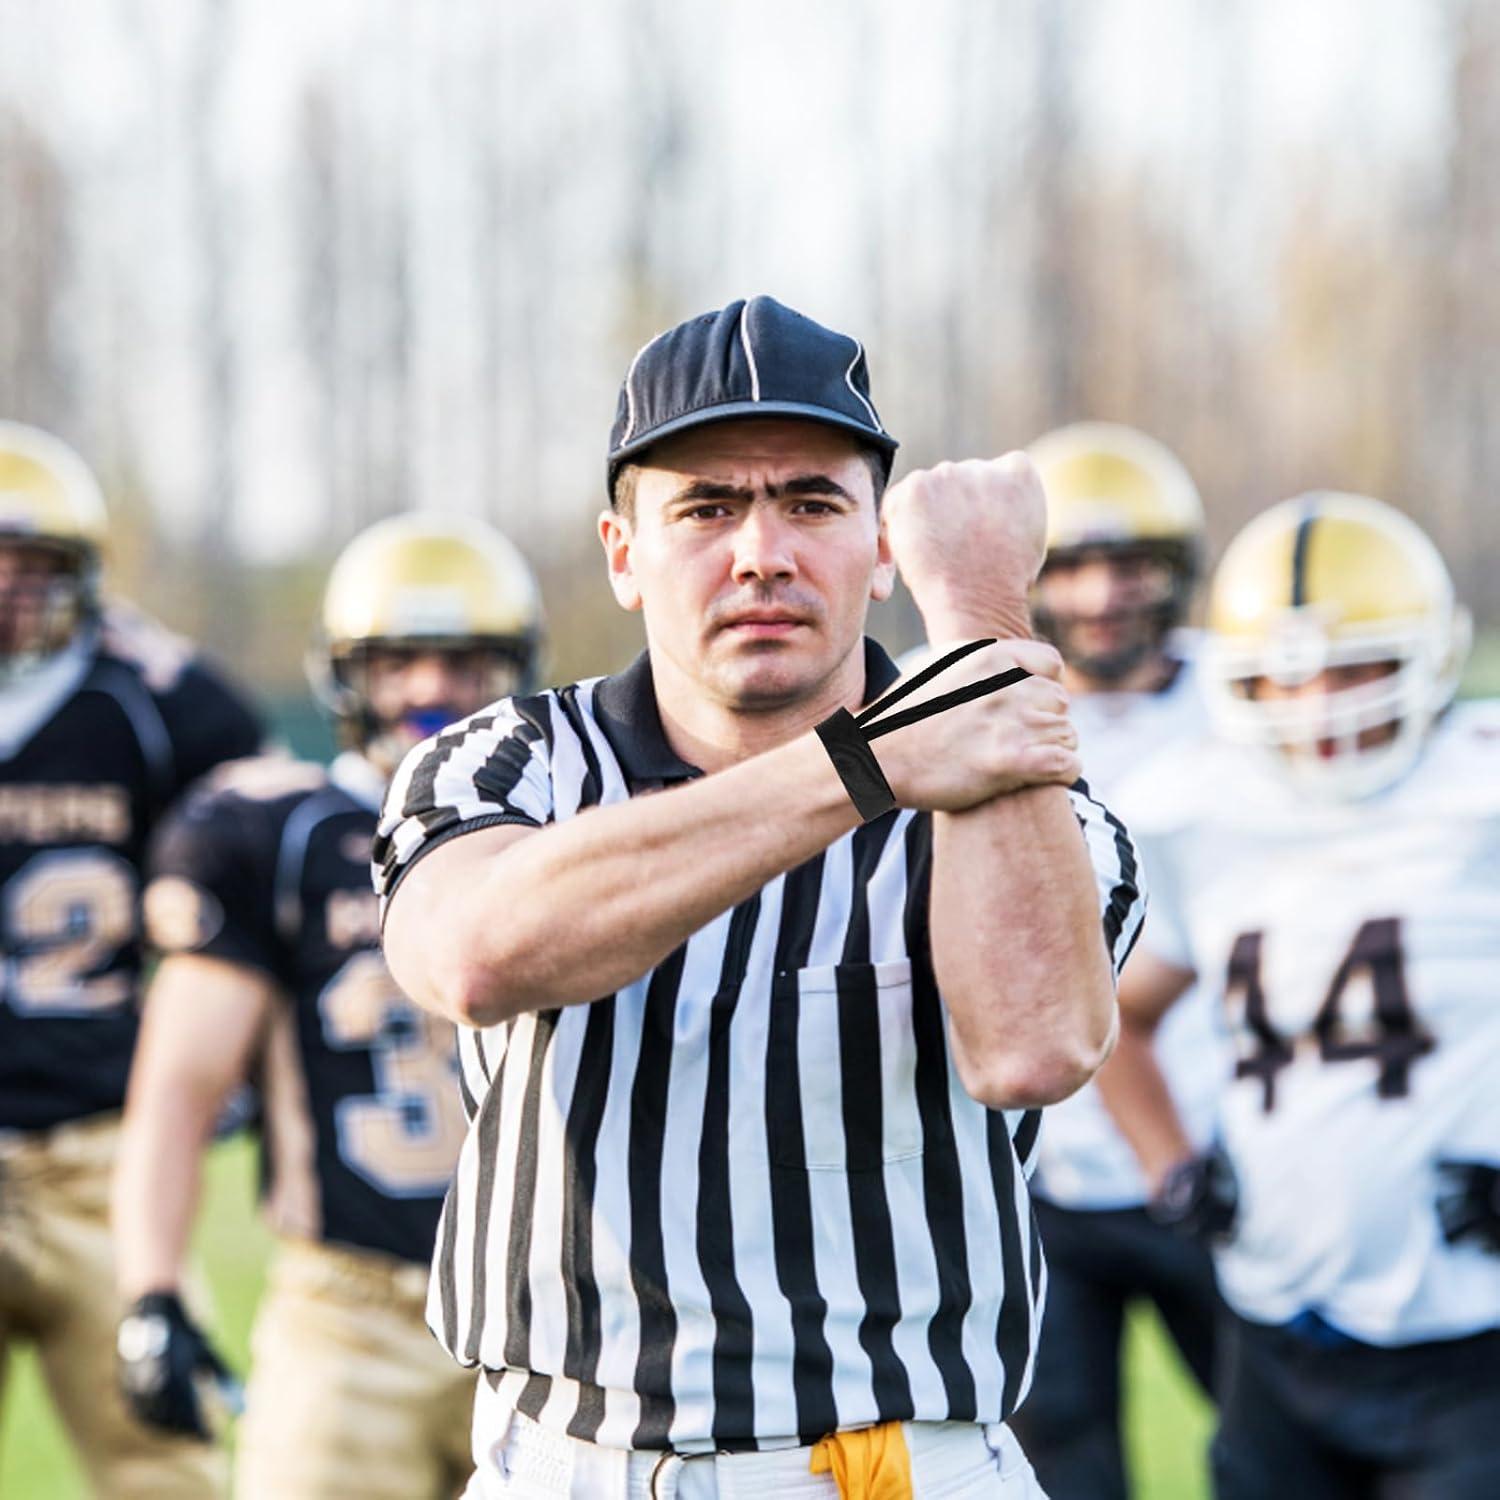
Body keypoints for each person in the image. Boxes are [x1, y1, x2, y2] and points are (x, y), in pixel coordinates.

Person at [375, 296, 1144, 1499]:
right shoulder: (507, 760)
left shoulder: (1013, 793)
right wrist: (868, 763)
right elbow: (476, 954)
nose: (761, 554)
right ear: (623, 554)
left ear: (885, 547)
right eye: (706, 507)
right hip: (575, 1467)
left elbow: (1037, 1049)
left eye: (812, 503)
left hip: (898, 1469)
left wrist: (983, 625)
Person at [112, 513, 544, 1500]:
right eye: (400, 663)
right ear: (347, 675)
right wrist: (152, 1290)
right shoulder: (274, 833)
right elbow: (178, 1088)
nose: (432, 693)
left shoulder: (576, 819)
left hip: (551, 1310)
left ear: (515, 669)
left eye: (466, 663)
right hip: (350, 1317)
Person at [1095, 491, 1499, 1498]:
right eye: (1285, 675)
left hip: (1470, 1338)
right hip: (1276, 1327)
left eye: (1355, 664)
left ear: (1429, 655)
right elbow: (1113, 1019)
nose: (1321, 702)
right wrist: (1172, 1168)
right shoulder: (1208, 817)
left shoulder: (1480, 792)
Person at [0, 419, 263, 1497]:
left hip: (101, 1153)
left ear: (86, 576)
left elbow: (268, 864)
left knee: (167, 1467)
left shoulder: (161, 700)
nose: (10, 592)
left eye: (35, 569)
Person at [1006, 423, 1223, 1498]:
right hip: (1030, 1176)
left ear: (1178, 569)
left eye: (1130, 561)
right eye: (1073, 566)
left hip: (1220, 1160)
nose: (1102, 595)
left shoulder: (1253, 698)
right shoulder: (963, 702)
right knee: (1067, 1470)